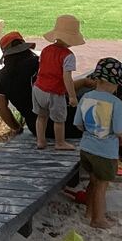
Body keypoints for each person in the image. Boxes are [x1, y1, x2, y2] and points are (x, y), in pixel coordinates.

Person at [0, 30, 122, 174]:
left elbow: (1, 108)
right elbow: (60, 86)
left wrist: (17, 127)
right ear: (25, 48)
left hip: (38, 129)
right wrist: (83, 84)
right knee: (105, 110)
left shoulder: (1, 78)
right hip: (64, 120)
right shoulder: (40, 62)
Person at [74, 57, 122, 229]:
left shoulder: (86, 97)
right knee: (102, 185)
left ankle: (89, 211)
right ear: (113, 83)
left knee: (93, 180)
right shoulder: (115, 103)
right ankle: (98, 219)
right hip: (105, 152)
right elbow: (119, 130)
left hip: (86, 149)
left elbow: (78, 124)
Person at [33, 14, 84, 151]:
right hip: (54, 92)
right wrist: (72, 96)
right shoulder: (68, 56)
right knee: (59, 120)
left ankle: (40, 141)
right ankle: (60, 142)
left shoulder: (45, 50)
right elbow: (67, 77)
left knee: (41, 116)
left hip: (38, 88)